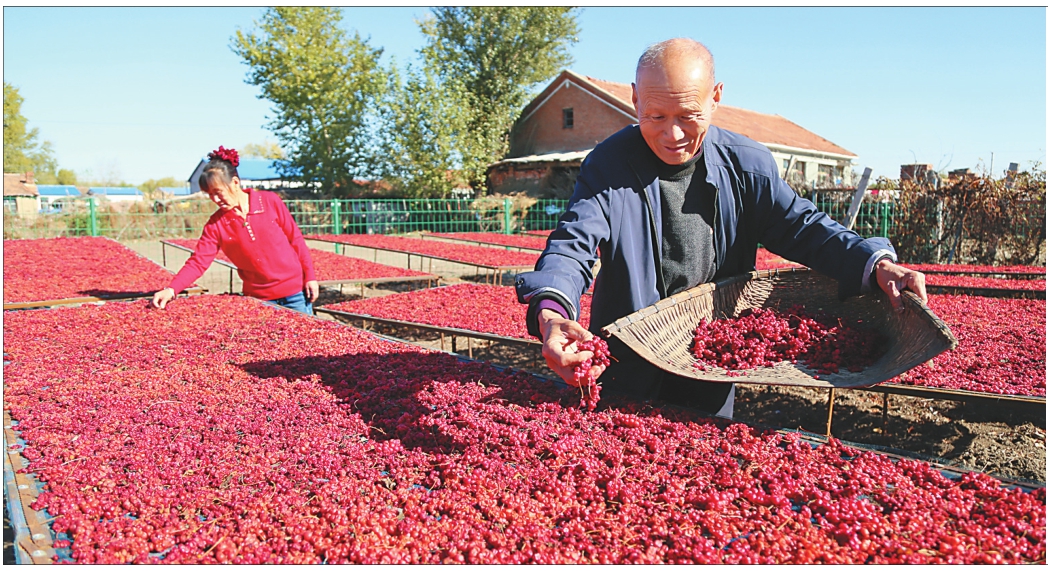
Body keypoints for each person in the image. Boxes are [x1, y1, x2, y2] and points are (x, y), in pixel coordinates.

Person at [515, 38, 927, 418]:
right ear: (635, 98)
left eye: (688, 116)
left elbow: (804, 227)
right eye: (654, 115)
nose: (671, 133)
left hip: (713, 365)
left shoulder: (747, 166)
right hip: (629, 368)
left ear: (715, 98)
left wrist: (873, 263)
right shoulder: (609, 166)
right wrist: (551, 314)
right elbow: (572, 244)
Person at [152, 146, 319, 315]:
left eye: (218, 192)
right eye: (210, 194)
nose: (215, 199)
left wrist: (310, 276)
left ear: (235, 183)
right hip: (261, 300)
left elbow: (295, 239)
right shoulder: (216, 225)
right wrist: (172, 290)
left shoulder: (269, 202)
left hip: (295, 293)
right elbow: (198, 262)